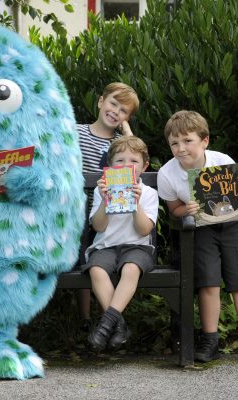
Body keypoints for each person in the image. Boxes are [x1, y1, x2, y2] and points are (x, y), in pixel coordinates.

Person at [157, 110, 238, 365]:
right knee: (209, 282)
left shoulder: (221, 160)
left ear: (204, 140)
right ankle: (210, 341)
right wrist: (187, 210)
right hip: (200, 227)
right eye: (174, 143)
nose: (181, 148)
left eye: (187, 141)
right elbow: (174, 210)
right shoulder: (167, 174)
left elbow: (236, 198)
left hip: (232, 224)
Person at [83, 136, 158, 351]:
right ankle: (119, 326)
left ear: (144, 166)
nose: (126, 165)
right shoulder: (102, 190)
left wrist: (135, 203)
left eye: (133, 161)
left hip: (137, 246)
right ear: (110, 166)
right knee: (96, 269)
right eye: (120, 161)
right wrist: (105, 200)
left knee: (131, 268)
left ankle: (106, 326)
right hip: (106, 246)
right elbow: (98, 226)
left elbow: (144, 229)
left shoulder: (149, 194)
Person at [77, 82, 140, 331]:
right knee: (81, 254)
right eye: (113, 103)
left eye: (123, 111)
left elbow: (139, 155)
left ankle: (108, 320)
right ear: (101, 101)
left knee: (98, 254)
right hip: (78, 210)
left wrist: (126, 130)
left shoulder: (119, 144)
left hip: (110, 214)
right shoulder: (77, 131)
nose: (115, 111)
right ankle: (84, 319)